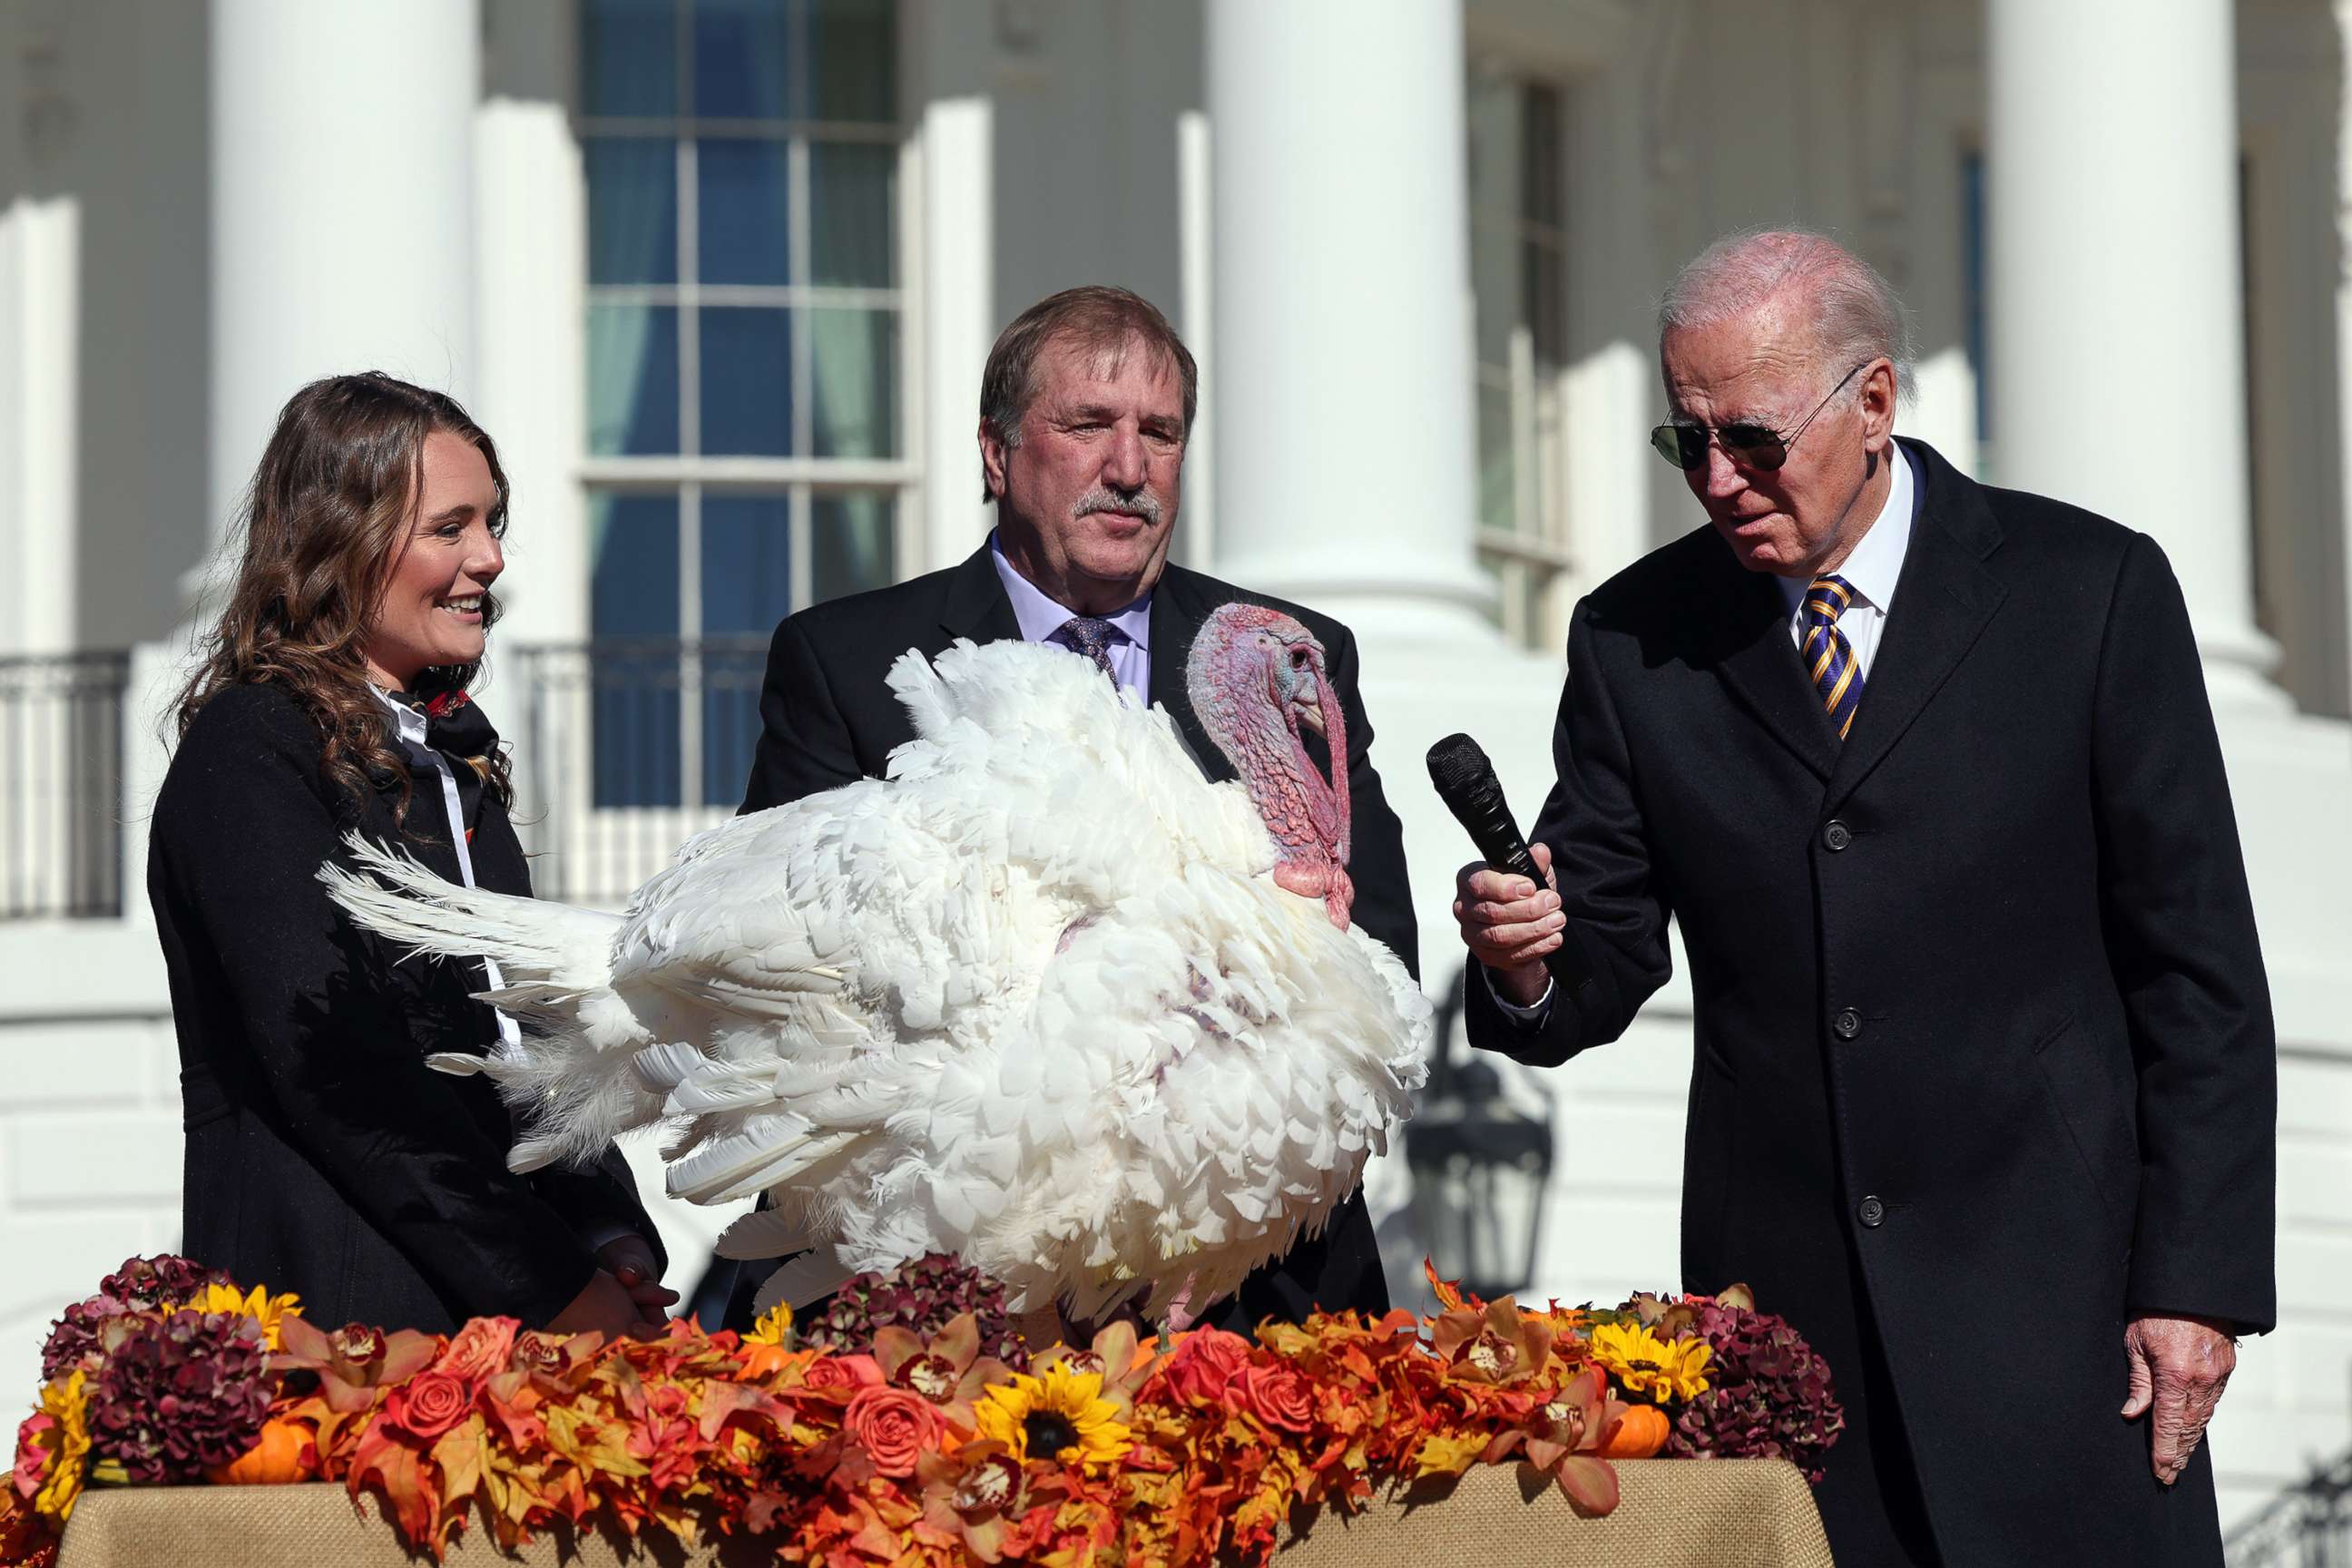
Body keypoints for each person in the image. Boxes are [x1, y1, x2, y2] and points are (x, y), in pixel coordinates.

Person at [1453, 230, 2273, 1566]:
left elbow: (2200, 976)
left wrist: (2197, 1287)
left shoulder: (2090, 594)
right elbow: (1590, 951)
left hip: (2068, 1335)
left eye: (1756, 439)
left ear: (1876, 401)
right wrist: (1527, 957)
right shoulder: (1630, 636)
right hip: (1788, 1355)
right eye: (1688, 442)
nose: (1718, 482)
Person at [720, 285, 1418, 1334]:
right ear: (997, 455)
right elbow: (789, 977)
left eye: (1161, 433)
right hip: (944, 1299)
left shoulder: (1277, 659)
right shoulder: (850, 662)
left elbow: (1379, 942)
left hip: (1243, 1300)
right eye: (1088, 425)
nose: (1129, 468)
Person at [153, 372, 677, 1338]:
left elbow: (529, 1041)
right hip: (345, 1325)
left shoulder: (452, 764)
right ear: (339, 541)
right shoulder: (251, 750)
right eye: (451, 527)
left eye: (493, 522)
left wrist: (609, 1235)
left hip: (512, 1316)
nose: (490, 557)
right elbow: (345, 1071)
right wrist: (552, 1288)